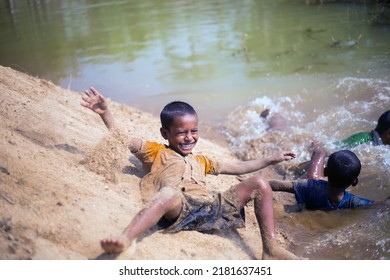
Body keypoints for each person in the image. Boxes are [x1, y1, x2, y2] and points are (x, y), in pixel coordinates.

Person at [80, 87, 300, 259]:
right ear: (165, 133)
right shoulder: (156, 151)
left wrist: (271, 159)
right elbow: (123, 138)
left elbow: (238, 169)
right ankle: (126, 238)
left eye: (194, 131)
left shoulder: (202, 160)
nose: (189, 138)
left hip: (212, 208)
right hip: (181, 207)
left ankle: (271, 249)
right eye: (181, 133)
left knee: (260, 183)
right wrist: (105, 112)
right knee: (168, 194)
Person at [268, 148, 375, 211]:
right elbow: (379, 205)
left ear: (325, 172)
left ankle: (318, 146)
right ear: (354, 182)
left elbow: (277, 185)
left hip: (313, 178)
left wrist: (261, 184)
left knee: (320, 152)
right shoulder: (353, 202)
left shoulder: (309, 186)